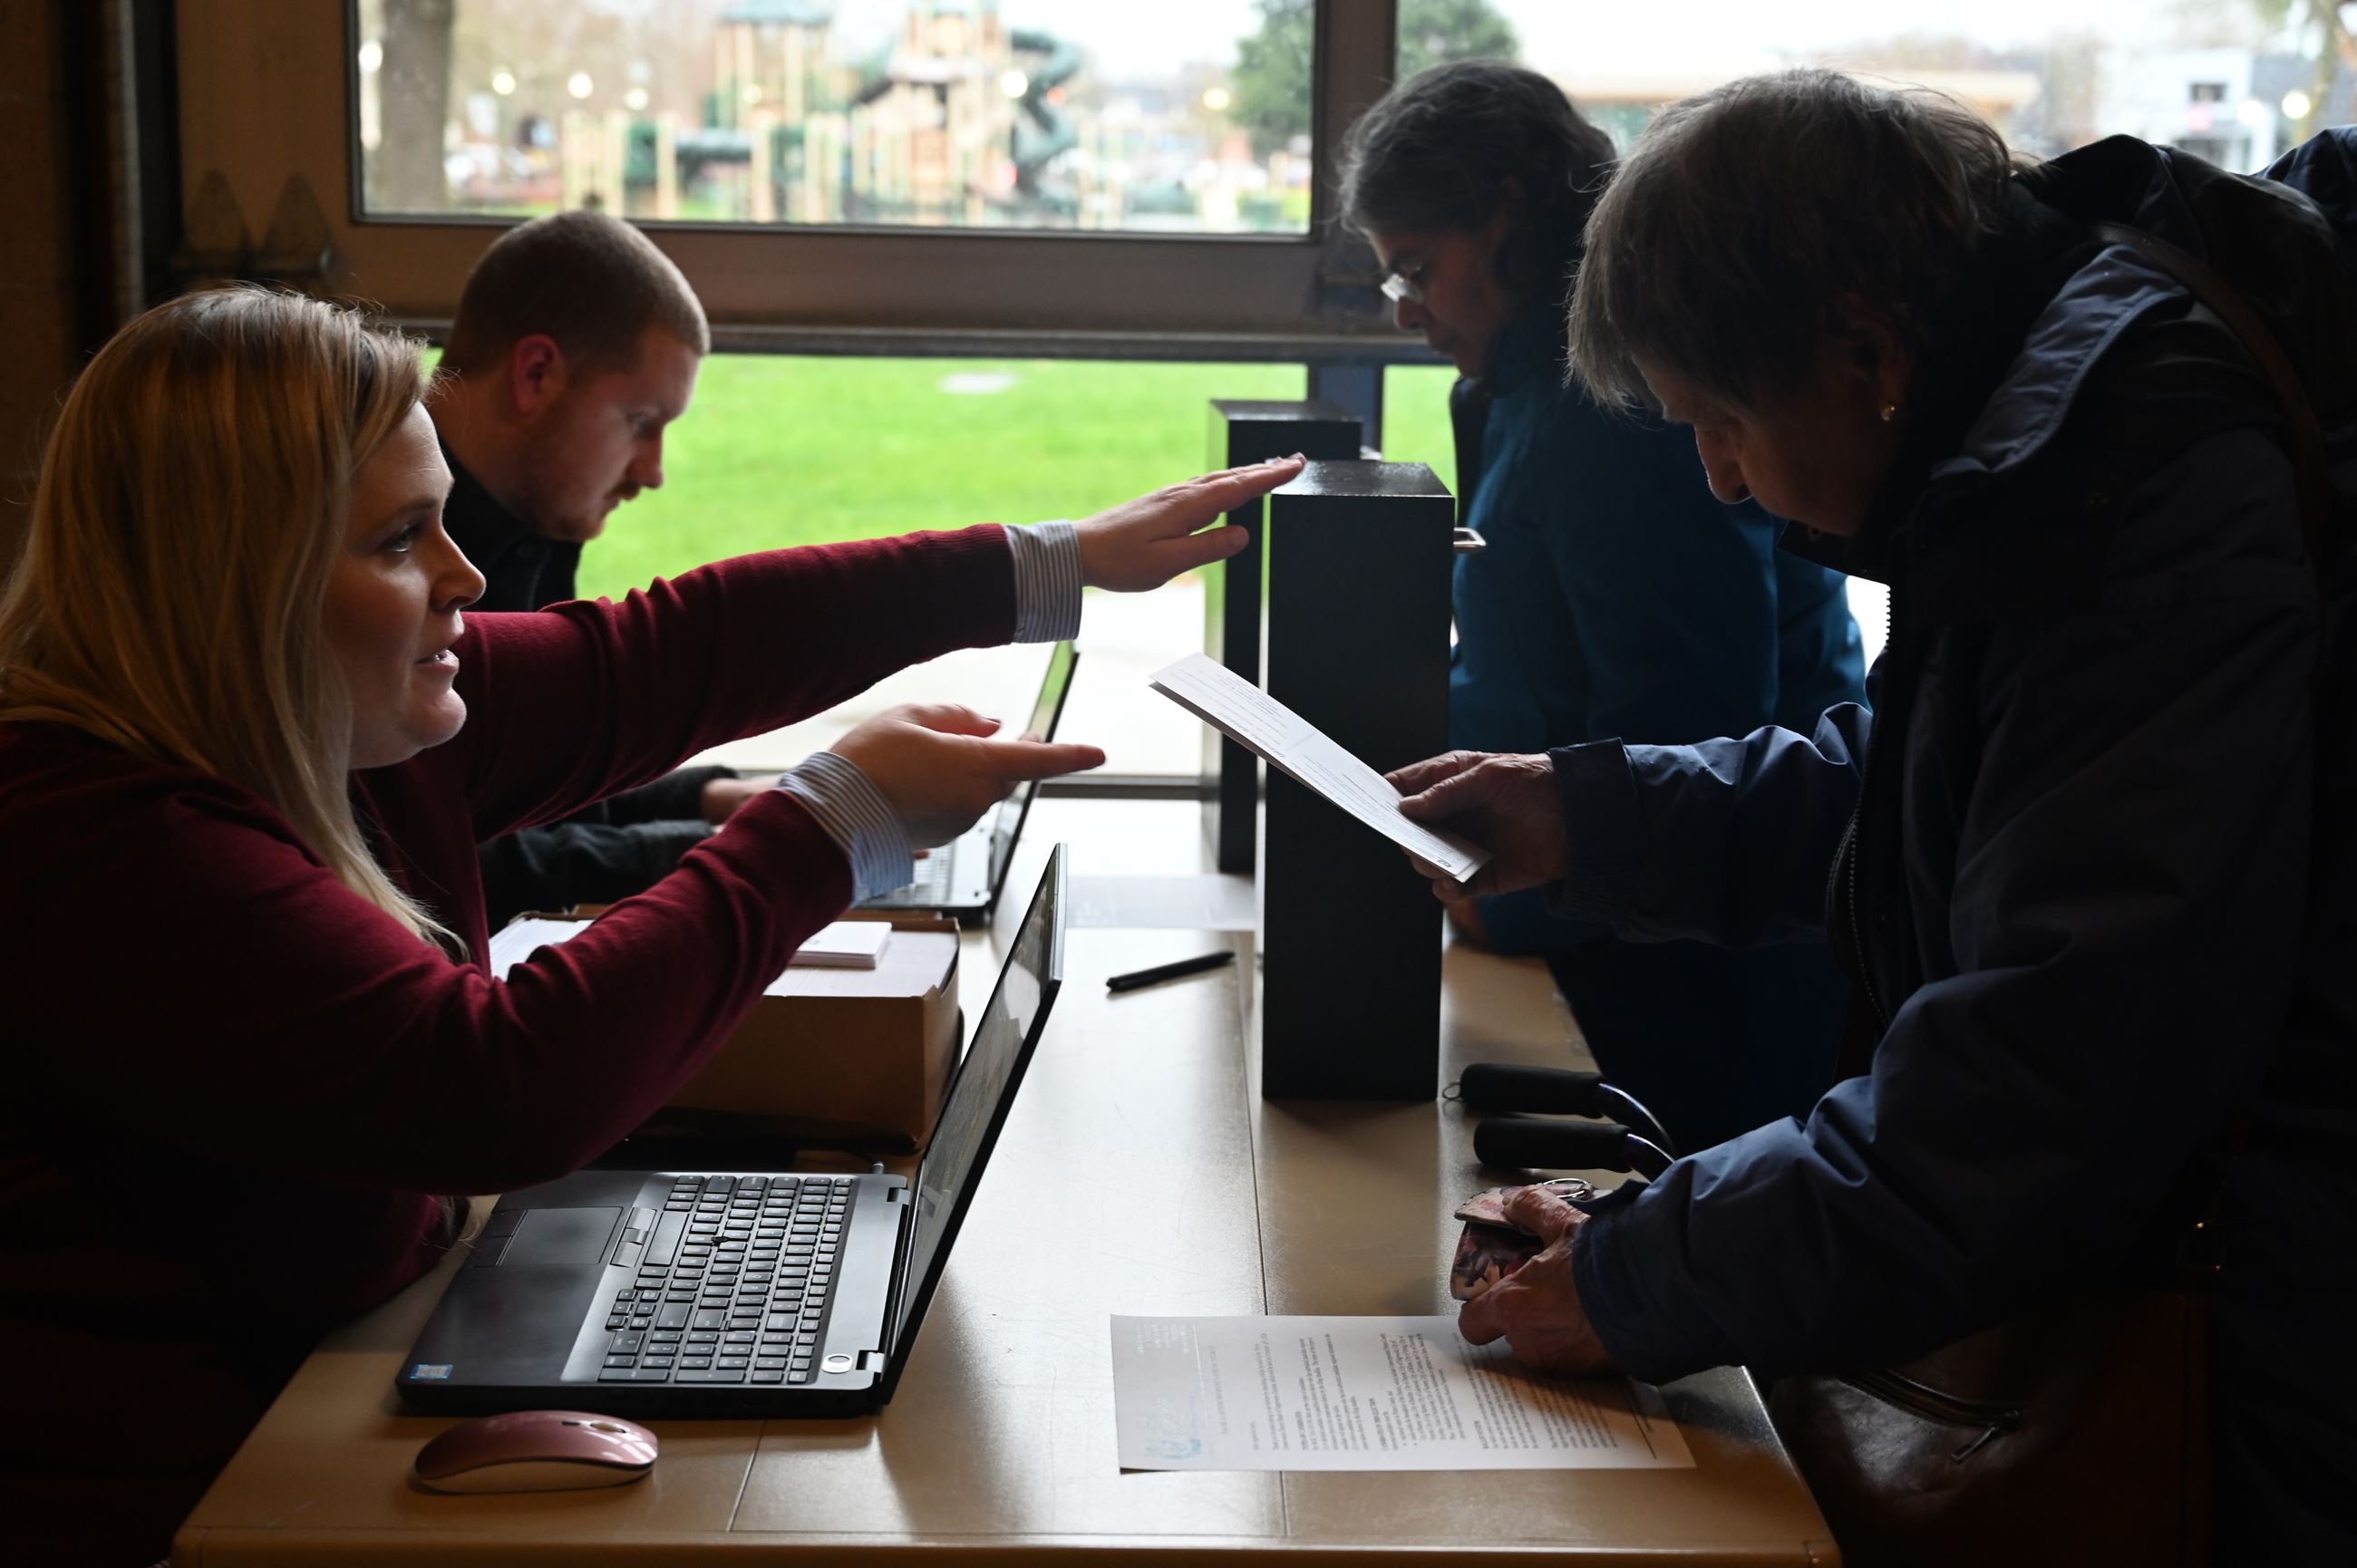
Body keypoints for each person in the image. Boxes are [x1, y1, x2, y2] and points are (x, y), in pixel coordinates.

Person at [0, 284, 1304, 1564]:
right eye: (401, 540)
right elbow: (494, 1085)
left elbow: (666, 653)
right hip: (174, 1507)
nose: (465, 579)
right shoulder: (100, 843)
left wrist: (1043, 565)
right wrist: (829, 822)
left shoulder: (338, 712)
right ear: (245, 587)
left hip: (306, 1419)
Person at [1387, 72, 2355, 1557]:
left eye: (1720, 420)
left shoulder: (2134, 484)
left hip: (2245, 1368)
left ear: (1868, 352)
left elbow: (2044, 1079)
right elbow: (1960, 780)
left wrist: (1636, 1275)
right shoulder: (2048, 437)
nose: (1714, 477)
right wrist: (1597, 813)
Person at [1337, 62, 1866, 1153]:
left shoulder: (1612, 406)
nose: (1410, 315)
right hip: (1606, 917)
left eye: (1418, 271)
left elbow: (1697, 716)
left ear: (1504, 212)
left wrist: (1515, 899)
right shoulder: (1526, 385)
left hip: (1699, 973)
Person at [427, 211, 768, 927]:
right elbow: (445, 865)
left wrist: (703, 799)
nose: (654, 472)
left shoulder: (525, 528)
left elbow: (536, 774)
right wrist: (720, 851)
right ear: (537, 373)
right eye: (641, 422)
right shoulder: (382, 558)